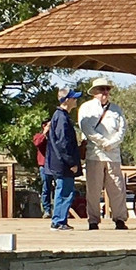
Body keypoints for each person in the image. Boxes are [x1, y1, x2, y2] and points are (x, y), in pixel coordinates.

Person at [78, 77, 128, 230]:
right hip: (95, 155)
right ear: (94, 92)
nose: (105, 92)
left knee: (117, 188)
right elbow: (86, 127)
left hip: (113, 155)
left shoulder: (117, 109)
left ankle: (119, 219)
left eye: (107, 89)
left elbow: (122, 129)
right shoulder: (86, 108)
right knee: (93, 189)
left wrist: (112, 143)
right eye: (101, 89)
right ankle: (93, 220)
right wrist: (102, 142)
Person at [45, 88, 83, 231]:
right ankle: (59, 221)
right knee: (65, 192)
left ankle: (59, 220)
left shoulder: (59, 116)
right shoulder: (61, 118)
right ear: (67, 100)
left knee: (62, 190)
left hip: (59, 162)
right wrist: (71, 163)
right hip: (63, 164)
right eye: (74, 98)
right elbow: (63, 143)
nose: (76, 100)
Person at [32, 118, 54, 218]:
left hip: (56, 165)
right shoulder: (38, 136)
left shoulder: (56, 137)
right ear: (43, 126)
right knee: (46, 187)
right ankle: (47, 210)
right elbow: (37, 143)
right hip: (44, 166)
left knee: (60, 187)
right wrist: (45, 133)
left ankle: (59, 210)